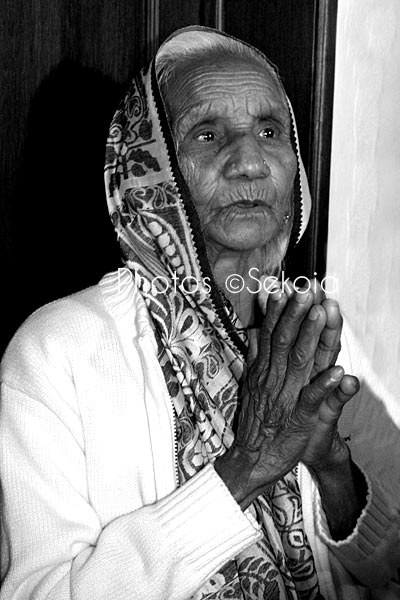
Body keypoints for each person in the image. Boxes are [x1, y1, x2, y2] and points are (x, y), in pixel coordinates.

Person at [1, 26, 399, 600]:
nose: (249, 162)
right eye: (208, 135)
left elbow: (385, 567)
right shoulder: (57, 351)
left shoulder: (310, 332)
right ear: (148, 171)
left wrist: (333, 464)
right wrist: (246, 466)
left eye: (270, 131)